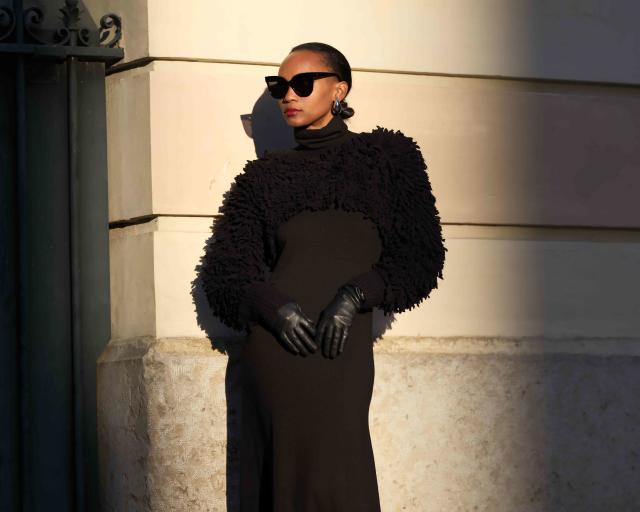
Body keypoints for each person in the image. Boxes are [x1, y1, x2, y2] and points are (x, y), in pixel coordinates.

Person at [199, 42, 447, 512]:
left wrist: (357, 295)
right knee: (284, 481)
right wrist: (274, 307)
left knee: (338, 475)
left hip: (342, 348)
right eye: (278, 86)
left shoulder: (388, 159)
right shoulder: (263, 178)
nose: (288, 95)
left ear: (339, 89)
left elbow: (421, 257)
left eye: (302, 84)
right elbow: (225, 275)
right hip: (276, 349)